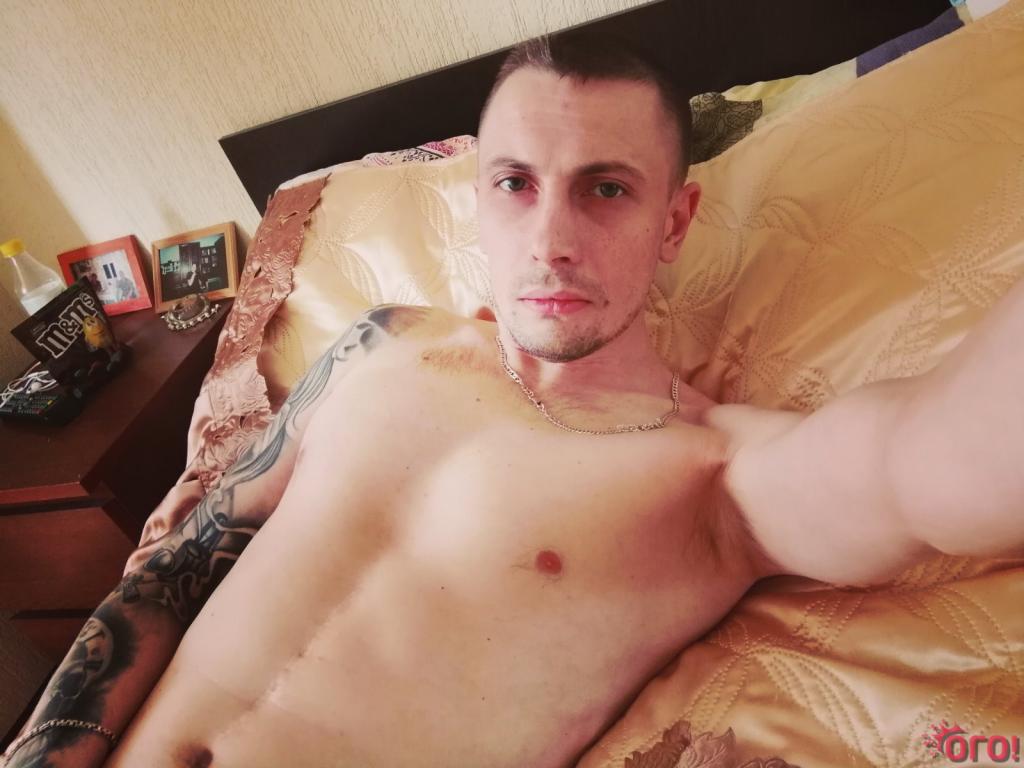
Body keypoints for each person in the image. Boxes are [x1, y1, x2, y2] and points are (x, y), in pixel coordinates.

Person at [5, 33, 1022, 768]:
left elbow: (937, 462)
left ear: (676, 222)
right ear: (476, 198)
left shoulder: (712, 475)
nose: (551, 239)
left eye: (606, 188)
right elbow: (170, 576)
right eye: (514, 184)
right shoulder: (380, 343)